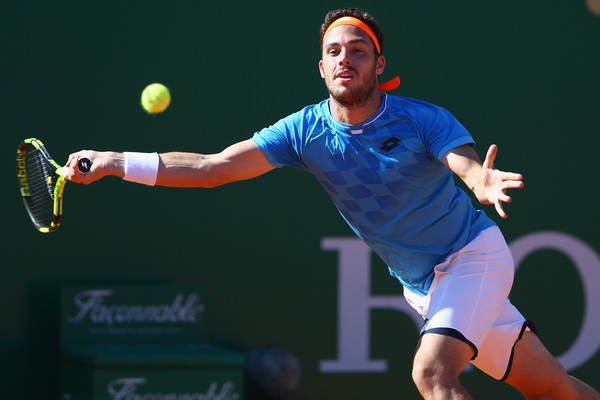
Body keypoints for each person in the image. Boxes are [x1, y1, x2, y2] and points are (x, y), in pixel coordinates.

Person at [65, 7, 600, 400]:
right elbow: (213, 169)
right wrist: (113, 160)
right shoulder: (303, 131)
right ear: (322, 68)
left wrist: (480, 180)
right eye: (334, 51)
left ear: (378, 63)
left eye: (358, 50)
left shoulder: (420, 119)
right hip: (425, 287)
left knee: (432, 374)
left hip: (473, 257)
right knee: (554, 390)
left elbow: (463, 164)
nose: (346, 58)